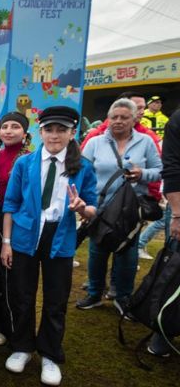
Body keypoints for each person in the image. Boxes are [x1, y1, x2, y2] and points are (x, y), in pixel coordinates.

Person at [0, 106, 97, 386]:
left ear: (72, 133)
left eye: (61, 130)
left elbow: (93, 208)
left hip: (60, 236)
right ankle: (22, 347)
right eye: (49, 129)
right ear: (40, 132)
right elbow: (10, 204)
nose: (55, 135)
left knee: (56, 299)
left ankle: (50, 353)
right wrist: (6, 242)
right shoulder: (25, 163)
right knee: (22, 295)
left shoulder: (83, 166)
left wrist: (82, 208)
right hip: (25, 236)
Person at [77, 98, 162, 313]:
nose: (118, 121)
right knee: (97, 251)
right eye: (114, 117)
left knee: (127, 253)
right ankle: (95, 293)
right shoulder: (95, 142)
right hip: (101, 207)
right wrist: (85, 203)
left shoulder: (146, 142)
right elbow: (83, 172)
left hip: (131, 209)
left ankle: (123, 296)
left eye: (124, 117)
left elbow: (159, 170)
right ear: (108, 119)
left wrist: (143, 174)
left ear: (134, 119)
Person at [0, 112, 31, 347]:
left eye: (15, 127)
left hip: (16, 220)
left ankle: (9, 327)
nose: (9, 131)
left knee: (12, 276)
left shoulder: (29, 159)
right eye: (5, 127)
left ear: (25, 132)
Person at [153, 108, 180, 357]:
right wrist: (178, 214)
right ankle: (163, 330)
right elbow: (171, 168)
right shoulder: (177, 120)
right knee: (174, 270)